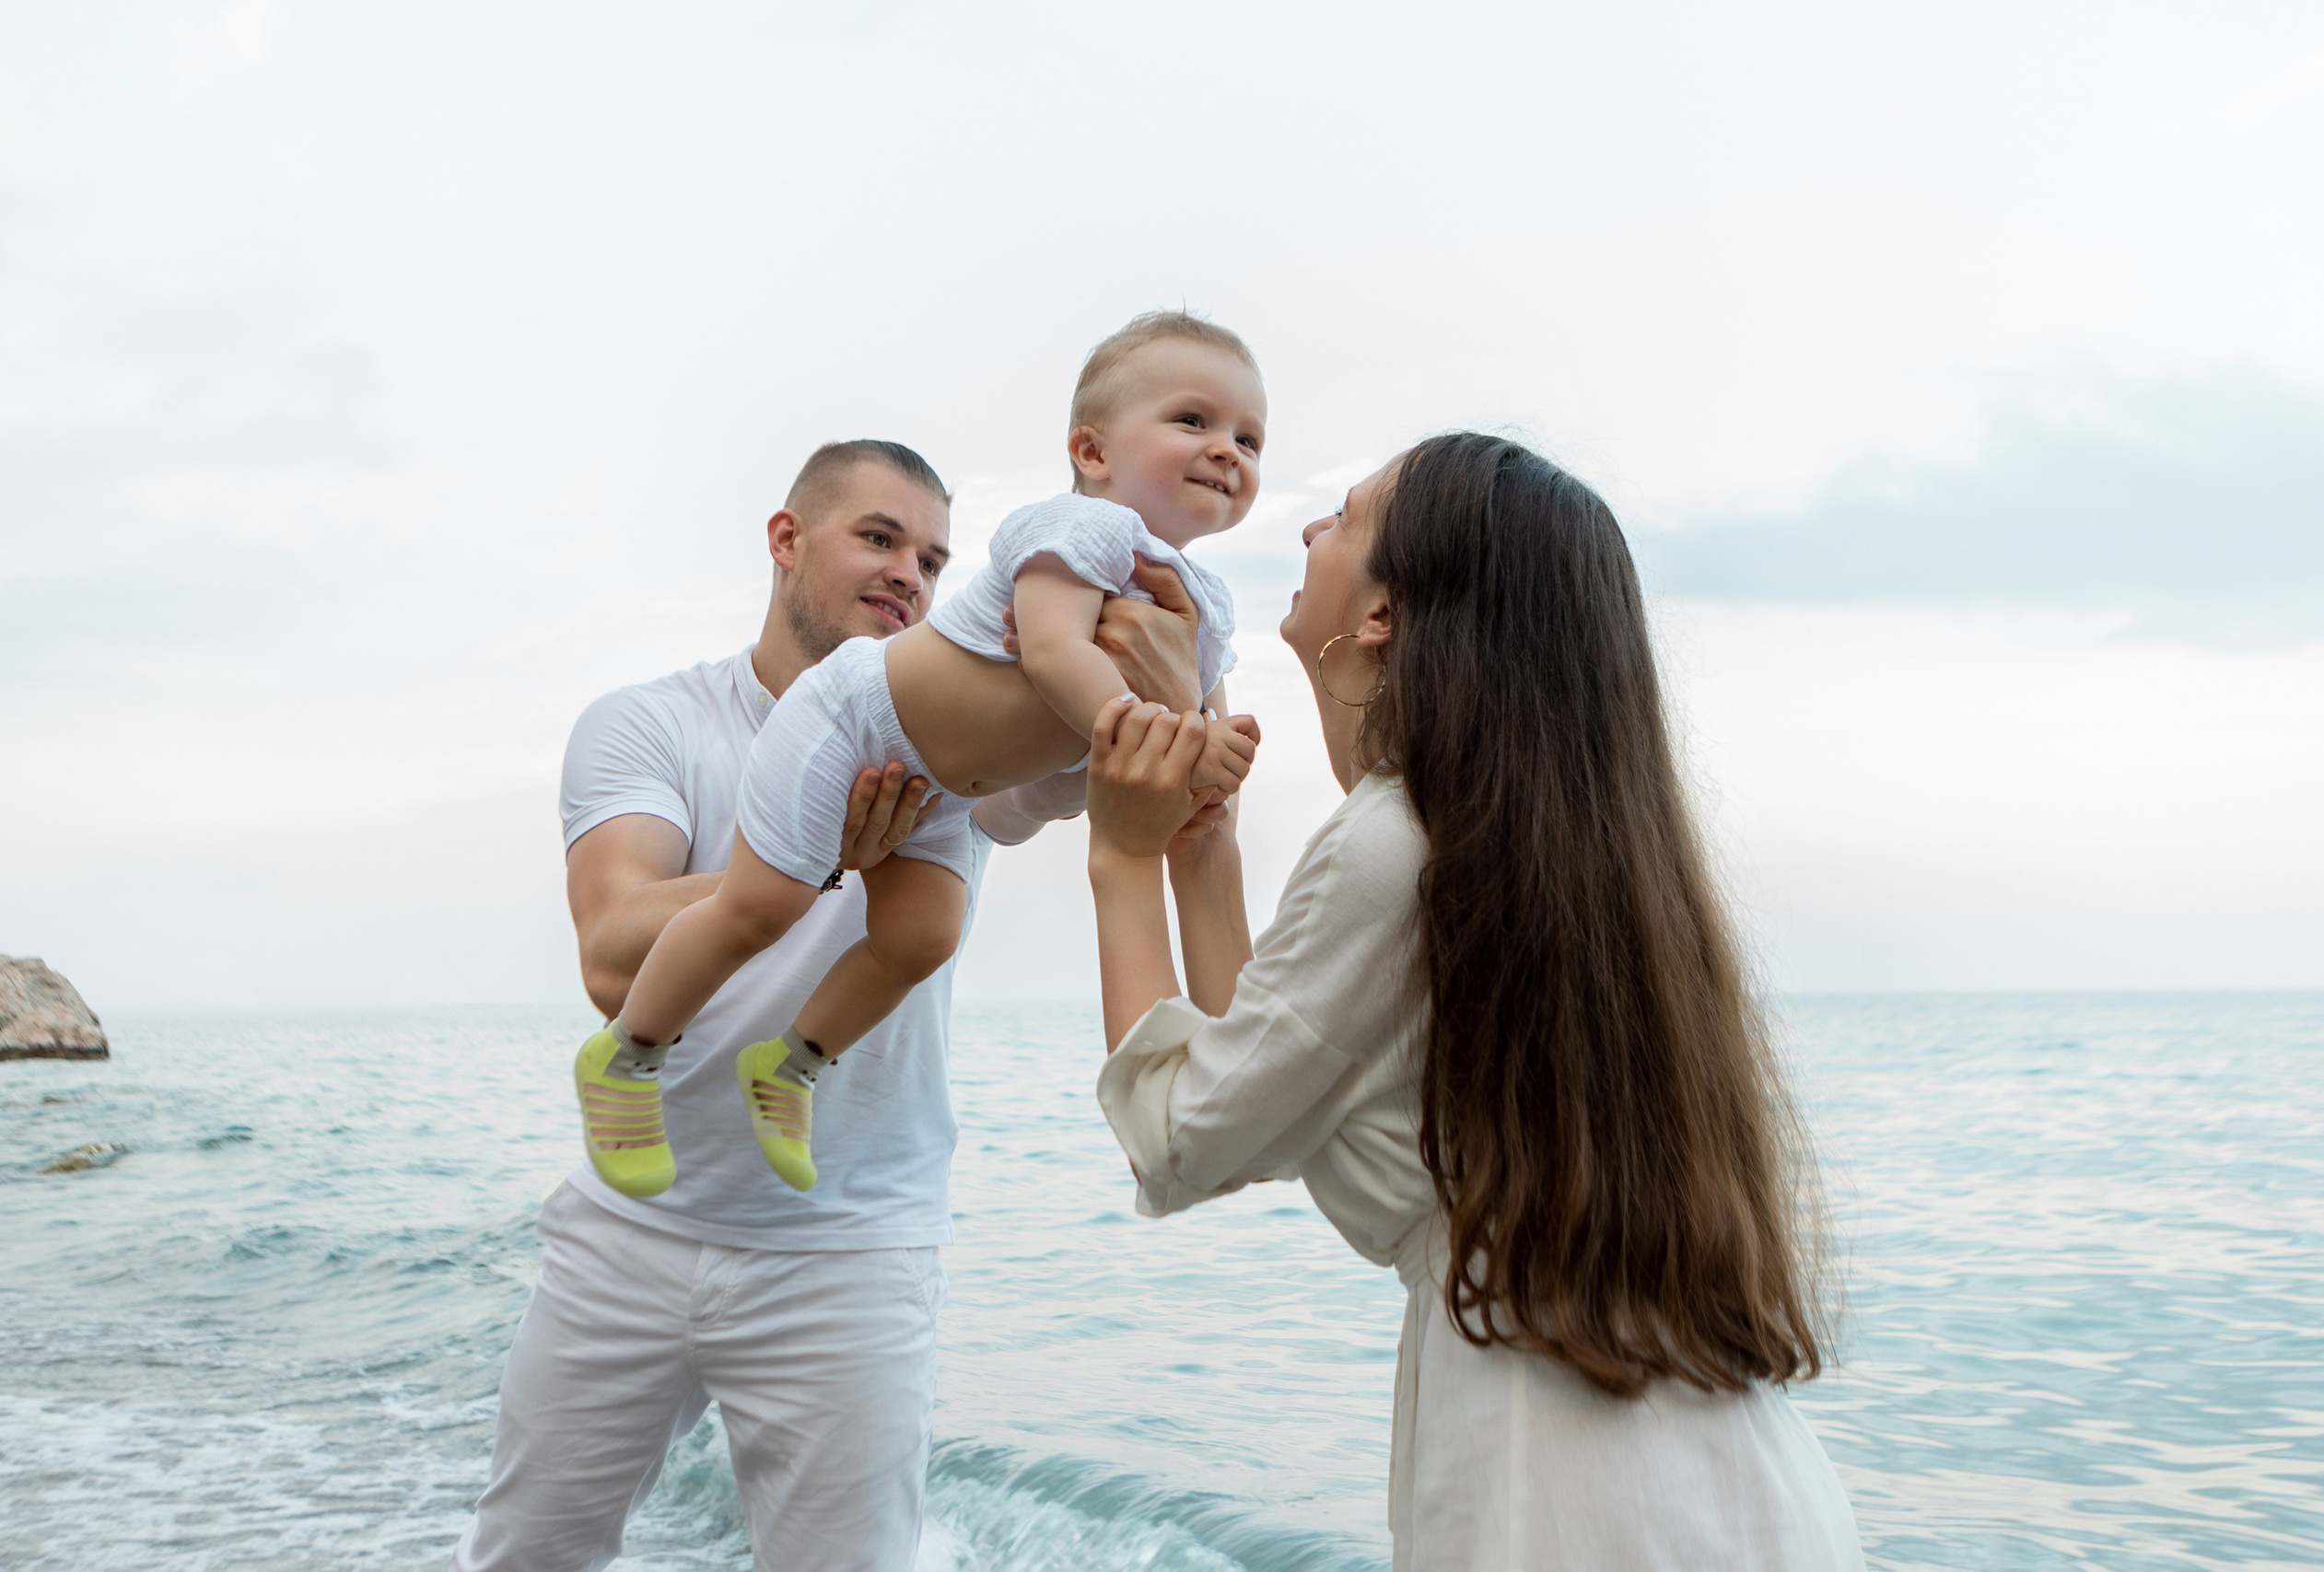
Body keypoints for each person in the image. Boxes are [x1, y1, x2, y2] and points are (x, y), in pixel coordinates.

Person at [1072, 432, 1866, 1569]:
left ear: (1388, 613)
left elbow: (1183, 1137)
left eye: (1340, 519)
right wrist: (1202, 862)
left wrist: (1117, 857)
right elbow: (1277, 1085)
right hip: (1725, 1477)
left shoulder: (1393, 849)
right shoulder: (1558, 855)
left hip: (1552, 1479)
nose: (1306, 531)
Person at [450, 437, 1211, 1572]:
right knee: (528, 1554)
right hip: (630, 1237)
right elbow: (612, 958)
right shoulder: (651, 723)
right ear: (785, 539)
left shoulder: (948, 737)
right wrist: (799, 862)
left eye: (935, 556)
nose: (910, 570)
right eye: (878, 537)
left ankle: (792, 1074)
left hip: (852, 1245)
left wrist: (1169, 676)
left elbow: (1069, 770)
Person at [578, 310, 1265, 1200]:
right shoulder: (1079, 530)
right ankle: (629, 1053)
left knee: (924, 932)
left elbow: (1187, 735)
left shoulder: (1207, 607)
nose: (1228, 449)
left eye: (1248, 436)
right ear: (1092, 453)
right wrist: (1152, 736)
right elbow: (1057, 656)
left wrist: (1213, 757)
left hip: (941, 790)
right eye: (1194, 421)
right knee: (764, 901)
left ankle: (790, 1065)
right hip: (857, 720)